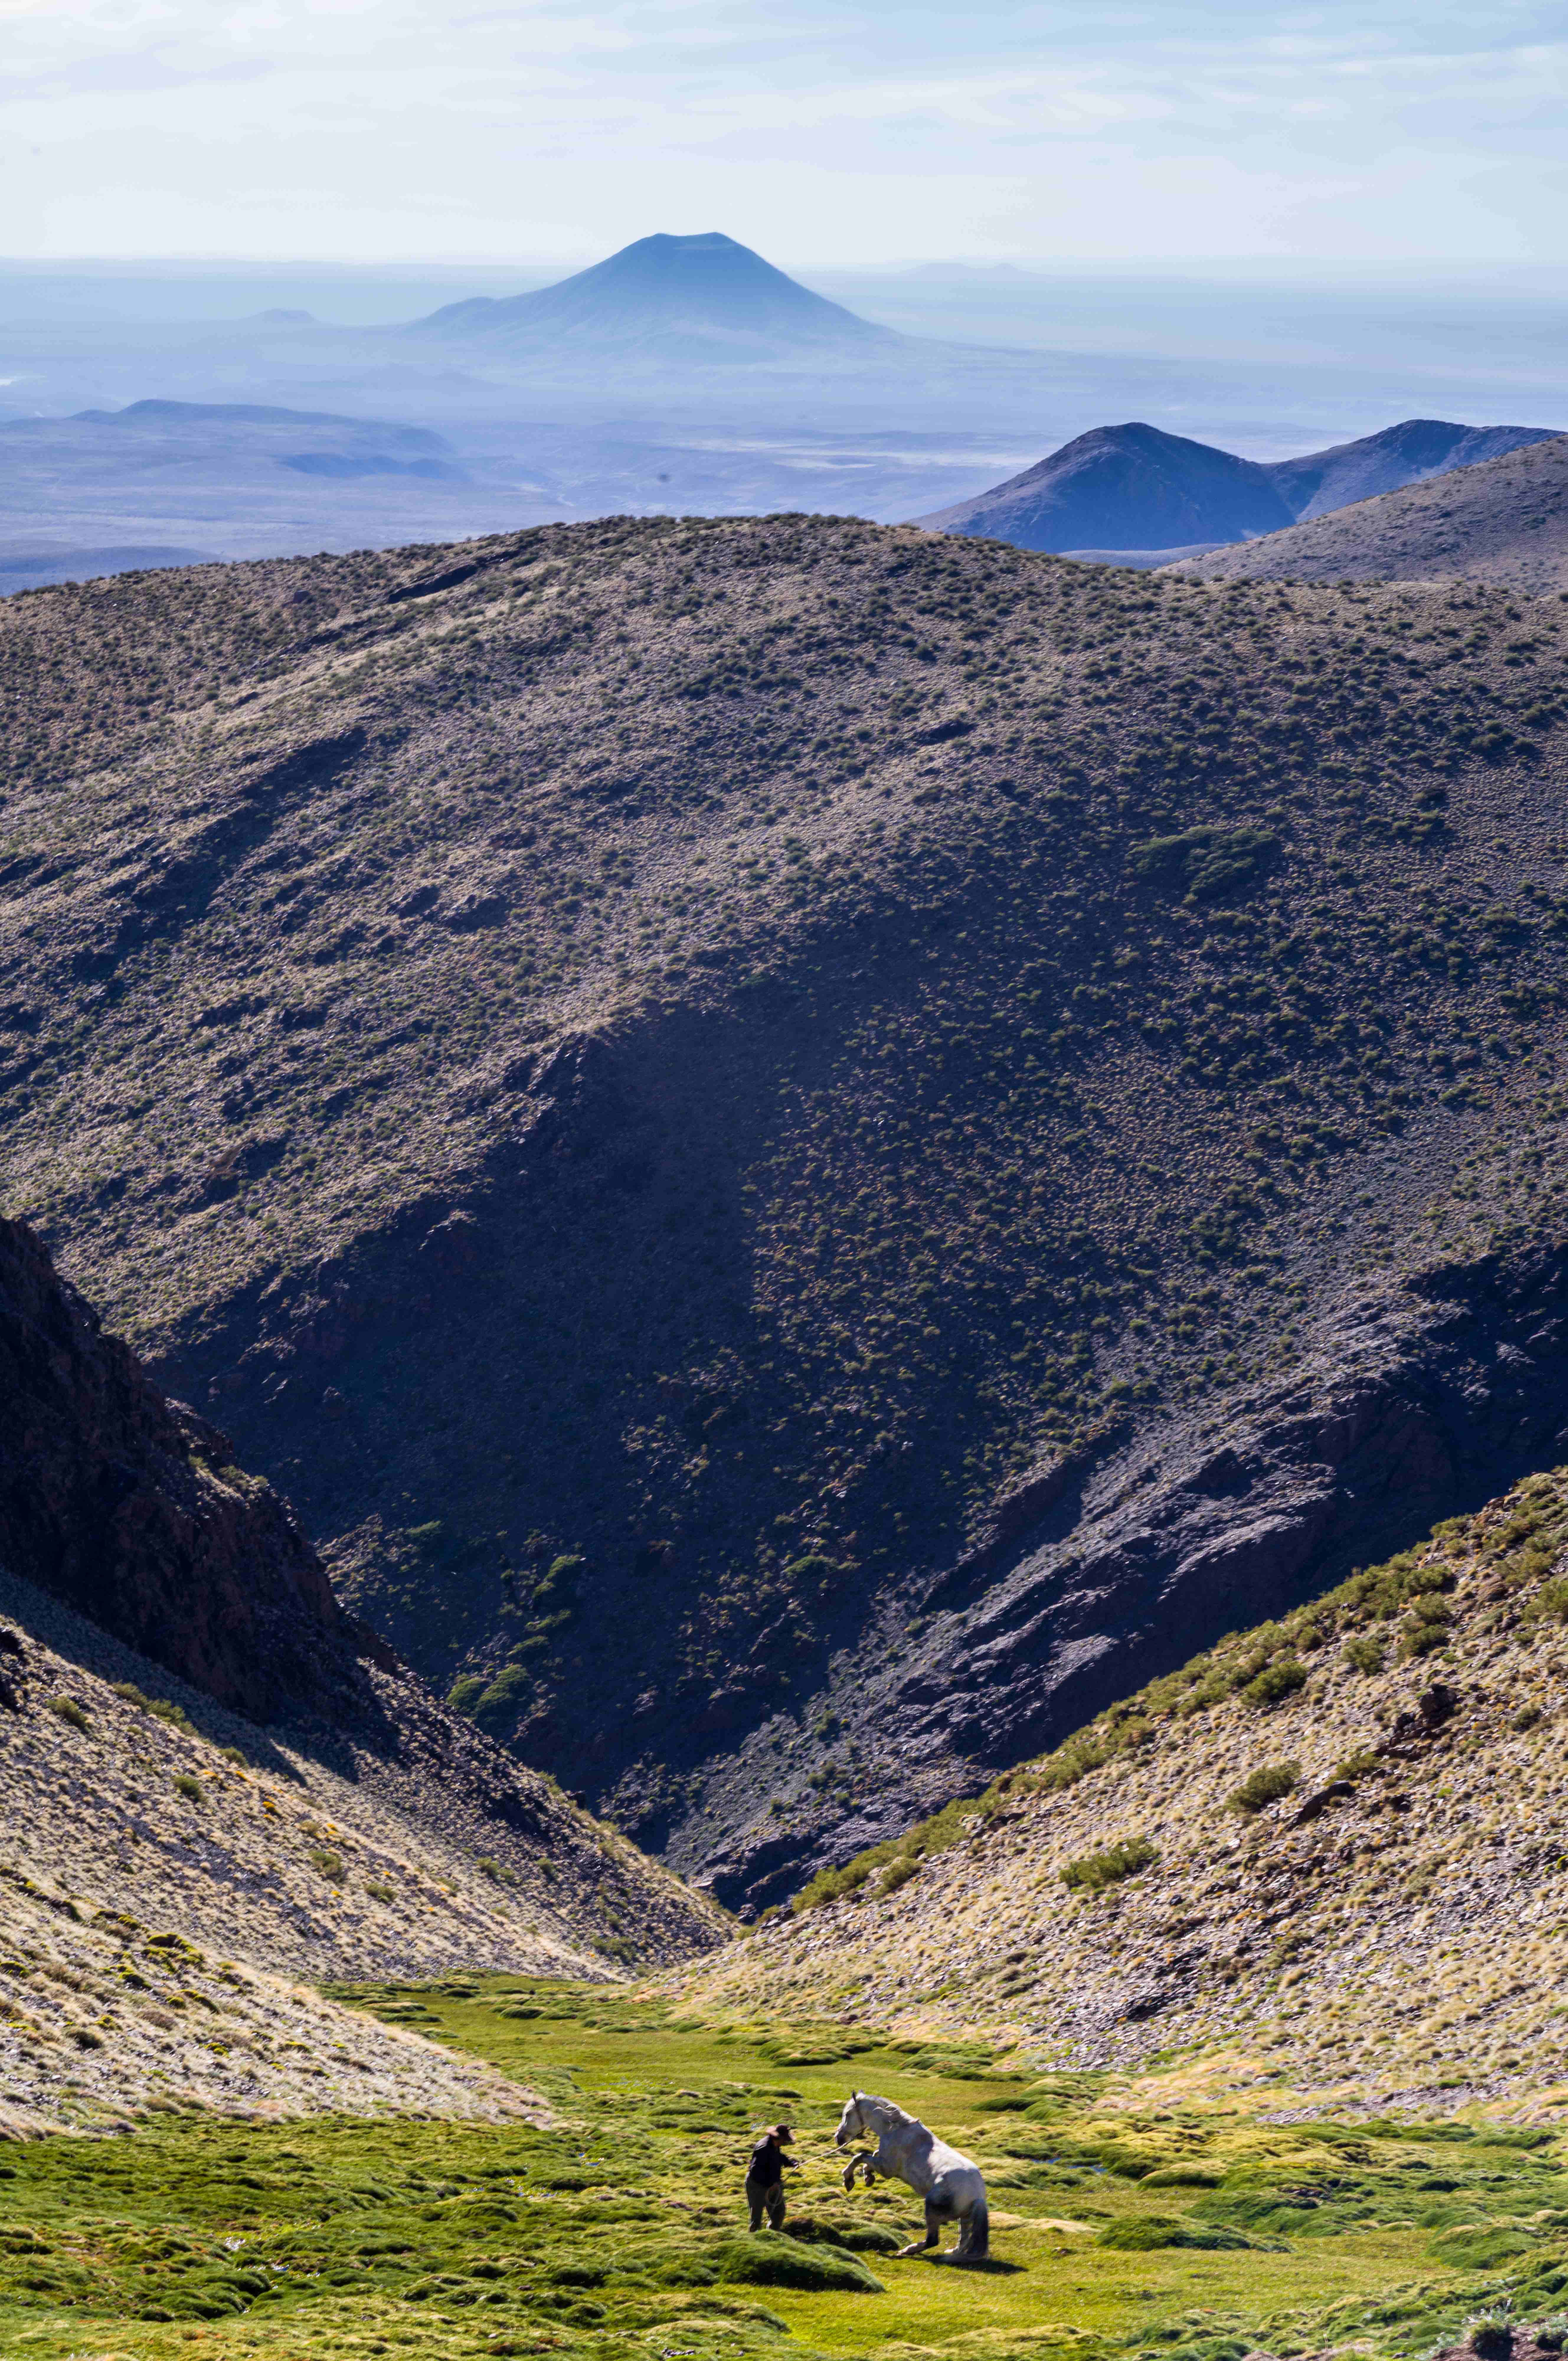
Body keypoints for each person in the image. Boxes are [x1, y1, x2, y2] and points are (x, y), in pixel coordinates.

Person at [744, 2122, 797, 2231]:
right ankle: (754, 2240)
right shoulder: (764, 2148)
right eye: (785, 2140)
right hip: (757, 2186)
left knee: (779, 2212)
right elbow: (756, 2172)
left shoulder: (774, 2145)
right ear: (779, 2138)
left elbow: (779, 2157)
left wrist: (791, 2163)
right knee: (757, 2219)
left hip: (772, 2185)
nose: (785, 2143)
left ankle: (772, 2235)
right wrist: (771, 2184)